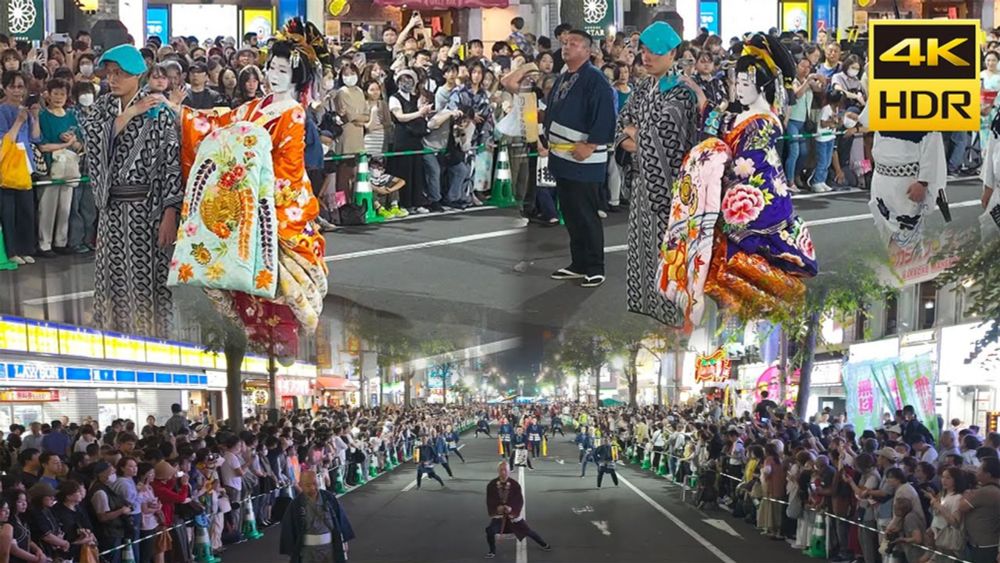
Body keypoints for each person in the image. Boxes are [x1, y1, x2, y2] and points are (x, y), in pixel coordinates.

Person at [80, 44, 182, 339]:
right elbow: (93, 138)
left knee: (146, 280)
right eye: (109, 73)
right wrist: (128, 114)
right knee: (111, 280)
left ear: (138, 75)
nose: (112, 79)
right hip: (112, 210)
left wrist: (170, 213)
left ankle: (154, 342)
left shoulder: (159, 113)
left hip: (146, 211)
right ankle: (112, 342)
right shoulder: (103, 108)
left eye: (120, 74)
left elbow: (170, 164)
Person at [615, 20, 706, 327]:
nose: (647, 57)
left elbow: (665, 136)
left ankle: (674, 311)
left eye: (655, 52)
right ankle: (645, 302)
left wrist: (637, 136)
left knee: (670, 250)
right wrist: (635, 136)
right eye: (644, 51)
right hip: (643, 182)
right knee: (642, 245)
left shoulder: (682, 93)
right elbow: (623, 124)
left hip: (670, 186)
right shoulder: (643, 88)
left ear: (673, 53)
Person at [543, 30, 617, 288]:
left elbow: (606, 114)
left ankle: (595, 266)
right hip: (562, 155)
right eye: (565, 43)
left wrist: (592, 143)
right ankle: (579, 263)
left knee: (586, 213)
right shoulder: (565, 76)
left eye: (573, 44)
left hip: (584, 158)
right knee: (571, 213)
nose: (567, 47)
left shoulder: (595, 79)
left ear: (587, 50)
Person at [279, 470, 354, 563]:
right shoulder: (296, 504)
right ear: (300, 485)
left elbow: (340, 519)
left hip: (329, 548)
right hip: (307, 550)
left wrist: (344, 541)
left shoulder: (328, 498)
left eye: (315, 483)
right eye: (308, 485)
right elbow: (289, 529)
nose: (313, 488)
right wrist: (292, 552)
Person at [484, 461, 551, 559]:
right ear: (498, 471)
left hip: (512, 516)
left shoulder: (515, 485)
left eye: (505, 470)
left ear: (509, 471)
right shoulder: (492, 485)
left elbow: (519, 501)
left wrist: (511, 509)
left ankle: (543, 544)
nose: (503, 472)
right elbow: (490, 500)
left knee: (528, 531)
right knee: (490, 531)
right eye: (501, 470)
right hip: (499, 516)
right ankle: (492, 551)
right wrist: (498, 508)